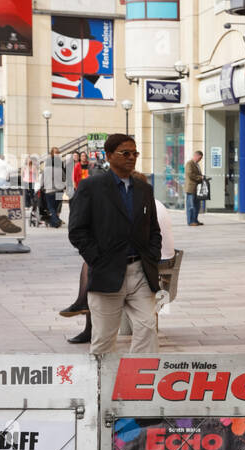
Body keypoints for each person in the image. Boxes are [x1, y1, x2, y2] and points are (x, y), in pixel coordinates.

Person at [67, 133, 163, 354]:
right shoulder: (91, 186)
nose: (131, 157)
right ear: (109, 156)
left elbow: (154, 228)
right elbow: (77, 230)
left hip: (140, 271)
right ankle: (101, 385)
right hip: (107, 271)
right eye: (125, 153)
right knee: (104, 337)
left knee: (148, 328)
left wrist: (152, 255)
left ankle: (138, 382)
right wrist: (97, 259)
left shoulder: (144, 189)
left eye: (134, 153)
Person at [61, 183, 174, 345]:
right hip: (163, 257)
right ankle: (84, 306)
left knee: (94, 265)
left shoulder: (139, 205)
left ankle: (85, 312)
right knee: (96, 261)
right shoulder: (151, 202)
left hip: (153, 260)